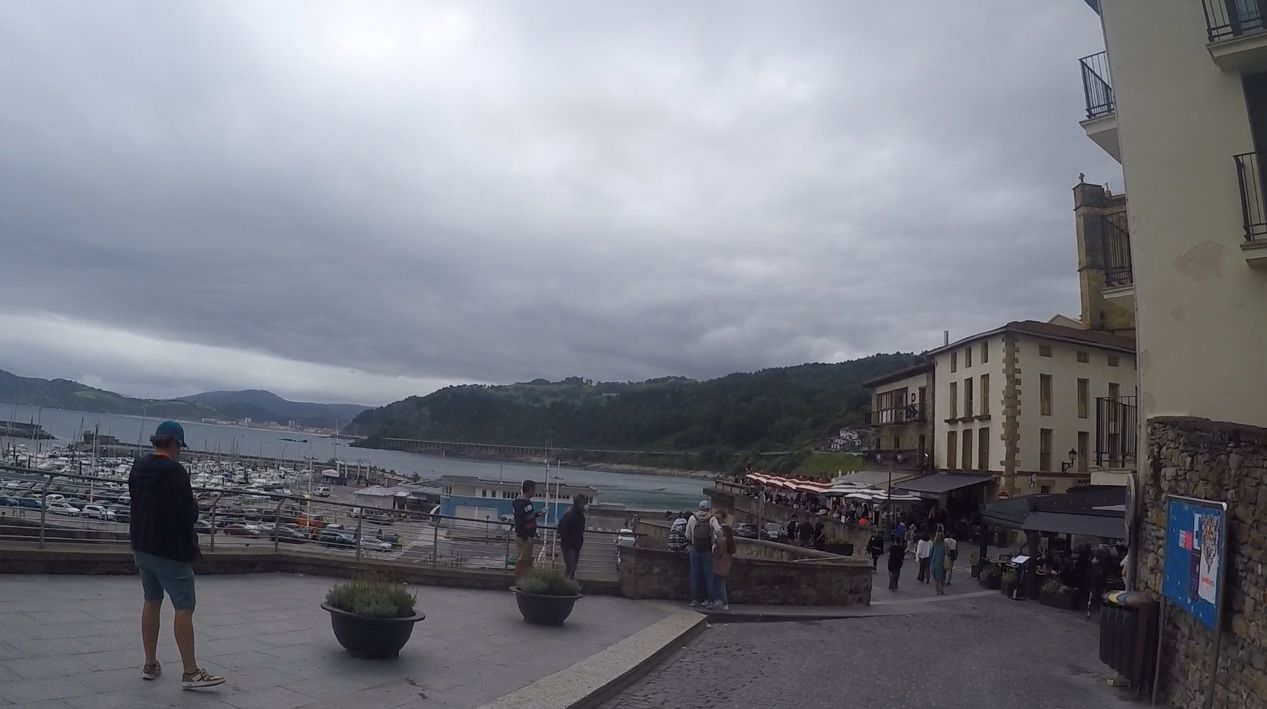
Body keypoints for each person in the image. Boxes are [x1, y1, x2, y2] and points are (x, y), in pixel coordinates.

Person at [129, 421, 224, 690]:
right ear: (174, 443)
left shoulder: (137, 467)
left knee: (151, 600)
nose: (180, 450)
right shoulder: (176, 473)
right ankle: (191, 672)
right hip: (170, 550)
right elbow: (188, 515)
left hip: (142, 546)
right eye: (180, 445)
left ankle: (150, 664)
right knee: (184, 608)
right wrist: (194, 505)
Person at [685, 500, 722, 608]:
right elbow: (719, 530)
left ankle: (695, 600)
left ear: (699, 508)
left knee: (695, 575)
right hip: (707, 550)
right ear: (709, 509)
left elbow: (687, 535)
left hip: (694, 549)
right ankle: (710, 601)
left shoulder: (693, 518)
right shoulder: (712, 519)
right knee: (709, 576)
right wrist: (715, 541)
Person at [512, 479, 547, 583]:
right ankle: (519, 582)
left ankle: (526, 581)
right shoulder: (520, 503)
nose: (535, 491)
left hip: (527, 536)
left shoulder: (525, 502)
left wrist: (537, 514)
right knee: (522, 561)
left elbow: (526, 517)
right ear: (530, 489)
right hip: (525, 537)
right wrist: (525, 536)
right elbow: (520, 520)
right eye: (534, 489)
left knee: (527, 561)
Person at [557, 493, 588, 580]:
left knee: (572, 568)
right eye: (584, 503)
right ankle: (566, 586)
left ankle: (568, 586)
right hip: (569, 546)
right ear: (579, 504)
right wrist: (567, 540)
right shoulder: (570, 515)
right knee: (570, 568)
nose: (585, 506)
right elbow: (561, 528)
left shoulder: (580, 516)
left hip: (576, 546)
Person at [712, 524, 736, 611]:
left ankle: (722, 603)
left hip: (719, 565)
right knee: (720, 583)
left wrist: (715, 548)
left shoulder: (722, 541)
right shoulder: (730, 541)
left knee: (719, 584)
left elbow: (718, 553)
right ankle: (723, 603)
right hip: (725, 566)